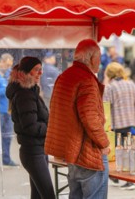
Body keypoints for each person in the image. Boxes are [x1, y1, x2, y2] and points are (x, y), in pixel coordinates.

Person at [44, 39, 110, 198]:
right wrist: (104, 142)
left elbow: (56, 111)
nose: (100, 61)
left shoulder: (64, 77)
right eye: (99, 57)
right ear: (92, 58)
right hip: (88, 153)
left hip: (71, 152)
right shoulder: (86, 80)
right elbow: (90, 118)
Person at [5, 56, 55, 199]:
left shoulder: (31, 91)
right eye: (37, 70)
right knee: (48, 195)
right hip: (33, 153)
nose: (41, 73)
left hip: (38, 150)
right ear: (27, 72)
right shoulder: (25, 94)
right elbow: (30, 127)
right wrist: (50, 127)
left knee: (38, 196)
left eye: (41, 70)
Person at [103, 62, 135, 190]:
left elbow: (105, 107)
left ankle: (115, 176)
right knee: (130, 151)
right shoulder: (130, 84)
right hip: (131, 124)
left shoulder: (110, 87)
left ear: (109, 74)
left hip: (116, 125)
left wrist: (105, 126)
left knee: (116, 153)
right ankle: (131, 180)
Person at [0, 54, 18, 166]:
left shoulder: (8, 74)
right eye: (7, 64)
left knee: (7, 136)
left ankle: (6, 159)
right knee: (1, 136)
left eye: (10, 65)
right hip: (0, 111)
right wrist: (6, 89)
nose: (8, 67)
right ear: (2, 62)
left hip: (8, 111)